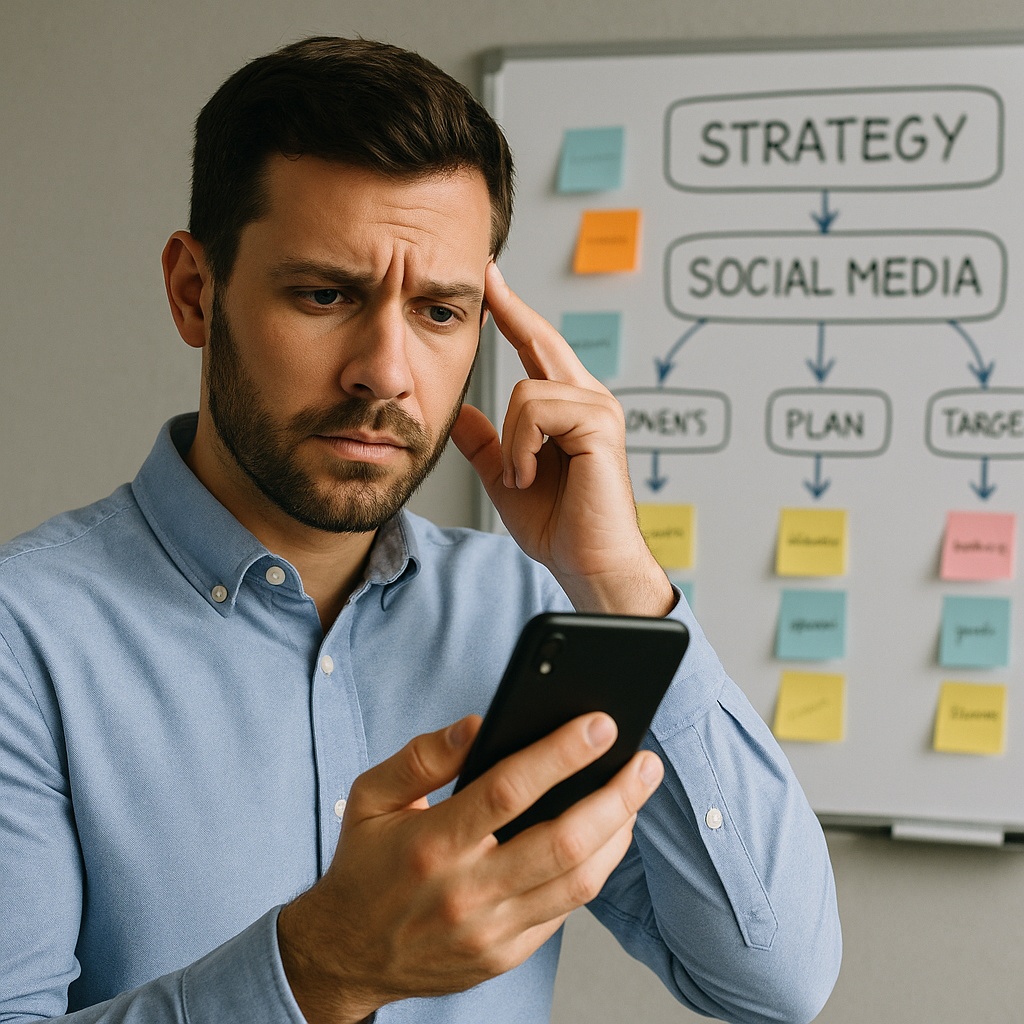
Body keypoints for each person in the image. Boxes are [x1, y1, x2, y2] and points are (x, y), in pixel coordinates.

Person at [0, 35, 840, 1024]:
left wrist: (619, 582)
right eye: (325, 295)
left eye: (440, 312)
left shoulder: (526, 617)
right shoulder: (24, 638)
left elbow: (773, 982)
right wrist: (319, 970)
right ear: (196, 291)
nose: (386, 373)